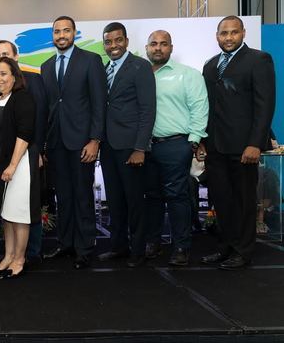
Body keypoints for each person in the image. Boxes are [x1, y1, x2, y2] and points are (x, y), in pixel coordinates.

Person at [201, 16, 276, 270]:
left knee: (243, 202)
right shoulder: (211, 66)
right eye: (224, 33)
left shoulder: (259, 59)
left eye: (234, 32)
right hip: (215, 147)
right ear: (217, 36)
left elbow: (265, 105)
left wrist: (256, 143)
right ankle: (225, 247)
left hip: (245, 147)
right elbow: (207, 108)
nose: (229, 37)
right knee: (221, 201)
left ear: (243, 33)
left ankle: (243, 251)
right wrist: (202, 142)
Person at [40, 15, 107, 269]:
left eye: (66, 31)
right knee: (63, 197)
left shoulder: (90, 60)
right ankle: (65, 243)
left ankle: (84, 247)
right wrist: (45, 144)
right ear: (53, 35)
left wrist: (95, 140)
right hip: (56, 143)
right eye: (57, 31)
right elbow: (48, 107)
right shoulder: (46, 66)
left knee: (82, 195)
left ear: (75, 33)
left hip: (82, 142)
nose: (61, 35)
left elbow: (99, 104)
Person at [143, 30, 209, 266]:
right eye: (153, 44)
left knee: (177, 196)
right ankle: (153, 242)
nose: (158, 48)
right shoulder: (141, 75)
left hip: (176, 144)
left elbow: (199, 108)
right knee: (151, 197)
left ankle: (181, 245)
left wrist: (192, 141)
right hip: (145, 147)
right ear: (146, 48)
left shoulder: (187, 75)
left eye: (163, 44)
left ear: (171, 48)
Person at [98, 22, 156, 267]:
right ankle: (118, 246)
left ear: (126, 41)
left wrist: (140, 148)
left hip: (131, 146)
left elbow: (148, 109)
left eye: (118, 40)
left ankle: (138, 250)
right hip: (109, 146)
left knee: (134, 201)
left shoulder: (140, 66)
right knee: (115, 200)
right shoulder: (103, 69)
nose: (113, 46)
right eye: (109, 42)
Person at [0, 40, 47, 263]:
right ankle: (11, 255)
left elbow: (38, 120)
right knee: (8, 212)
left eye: (5, 54)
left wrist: (39, 152)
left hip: (23, 158)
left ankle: (27, 255)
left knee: (23, 211)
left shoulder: (30, 83)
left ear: (16, 58)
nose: (0, 57)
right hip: (0, 161)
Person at [0, 57, 39, 279]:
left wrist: (13, 166)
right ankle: (7, 256)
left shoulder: (22, 97)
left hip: (18, 165)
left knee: (19, 214)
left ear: (14, 76)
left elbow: (24, 134)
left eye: (3, 73)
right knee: (6, 215)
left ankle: (19, 259)